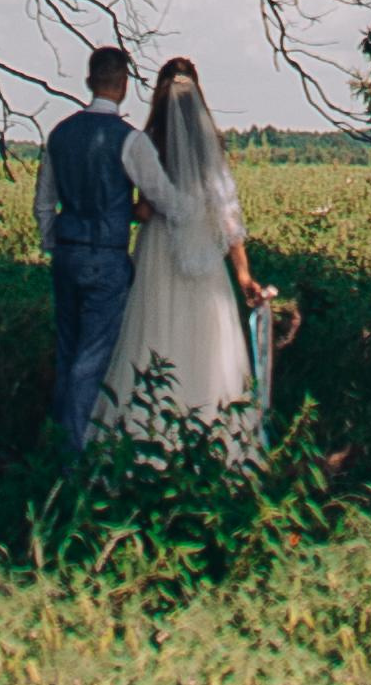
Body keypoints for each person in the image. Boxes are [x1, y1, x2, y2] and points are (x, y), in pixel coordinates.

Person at [91, 56, 269, 462]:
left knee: (154, 334)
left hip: (159, 250)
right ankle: (214, 439)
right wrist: (243, 275)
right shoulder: (211, 146)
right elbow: (228, 217)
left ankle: (146, 442)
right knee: (207, 340)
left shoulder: (146, 140)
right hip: (204, 253)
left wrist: (141, 211)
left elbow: (143, 209)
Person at [34, 44, 182, 450]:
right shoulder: (129, 141)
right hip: (106, 256)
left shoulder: (59, 134)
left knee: (67, 354)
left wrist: (55, 244)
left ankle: (56, 445)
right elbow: (164, 198)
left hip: (67, 251)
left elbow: (44, 202)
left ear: (88, 81)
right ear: (124, 85)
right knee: (92, 361)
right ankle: (74, 459)